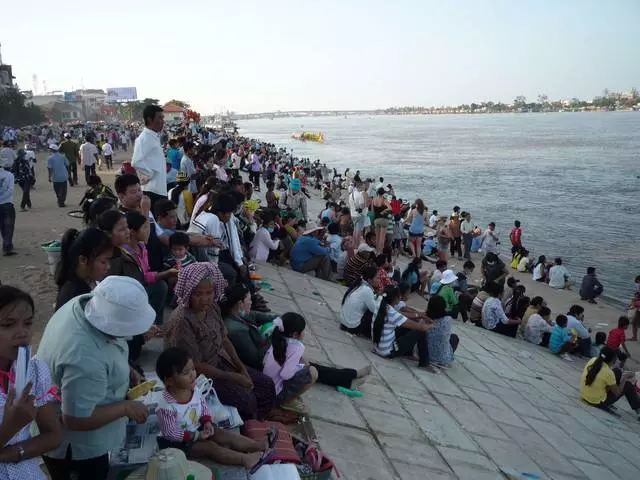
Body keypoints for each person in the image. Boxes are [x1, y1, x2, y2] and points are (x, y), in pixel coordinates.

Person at [38, 277, 154, 480]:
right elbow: (75, 419)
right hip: (76, 446)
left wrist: (125, 368)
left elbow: (110, 345)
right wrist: (126, 408)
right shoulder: (83, 357)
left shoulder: (83, 303)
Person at [164, 263, 275, 420]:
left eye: (209, 293)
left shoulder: (212, 308)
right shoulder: (183, 321)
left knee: (265, 384)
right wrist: (233, 377)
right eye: (198, 294)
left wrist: (241, 368)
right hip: (196, 375)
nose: (205, 299)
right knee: (245, 399)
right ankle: (248, 426)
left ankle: (260, 420)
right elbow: (195, 365)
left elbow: (224, 338)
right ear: (188, 293)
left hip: (220, 361)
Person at [154, 347, 269, 469]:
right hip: (178, 444)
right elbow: (170, 433)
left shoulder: (193, 389)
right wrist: (195, 436)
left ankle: (257, 445)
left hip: (197, 429)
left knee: (223, 434)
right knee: (211, 447)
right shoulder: (167, 407)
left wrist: (206, 421)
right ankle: (245, 459)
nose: (192, 374)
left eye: (193, 369)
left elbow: (202, 404)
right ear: (169, 381)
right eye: (185, 373)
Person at [0, 286, 62, 478]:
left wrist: (16, 452)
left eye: (27, 323)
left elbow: (53, 435)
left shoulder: (34, 370)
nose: (22, 333)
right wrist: (10, 427)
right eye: (8, 325)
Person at [124, 211, 175, 325]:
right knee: (160, 285)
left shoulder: (141, 246)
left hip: (142, 282)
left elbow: (146, 271)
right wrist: (166, 273)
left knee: (161, 286)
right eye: (143, 228)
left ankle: (156, 323)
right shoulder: (127, 253)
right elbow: (142, 277)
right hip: (133, 288)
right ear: (132, 232)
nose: (147, 231)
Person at [372, 285, 434, 370]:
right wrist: (432, 325)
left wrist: (420, 315)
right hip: (387, 351)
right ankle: (424, 364)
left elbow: (402, 315)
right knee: (420, 332)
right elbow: (421, 328)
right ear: (395, 298)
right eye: (399, 296)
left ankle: (408, 353)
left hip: (377, 346)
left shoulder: (380, 303)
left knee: (407, 327)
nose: (400, 297)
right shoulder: (391, 313)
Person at [55, 228, 112, 311]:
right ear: (83, 260)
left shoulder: (84, 281)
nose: (108, 266)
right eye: (103, 262)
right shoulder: (78, 298)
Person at [580, 346, 640, 418]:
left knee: (617, 372)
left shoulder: (593, 360)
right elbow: (617, 393)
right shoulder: (608, 373)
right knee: (628, 385)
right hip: (597, 402)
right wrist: (624, 378)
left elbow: (609, 372)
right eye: (615, 358)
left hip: (584, 395)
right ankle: (638, 407)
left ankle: (637, 406)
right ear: (612, 359)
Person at [131, 105, 167, 207]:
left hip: (159, 189)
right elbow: (135, 161)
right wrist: (150, 174)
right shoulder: (144, 138)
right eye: (159, 118)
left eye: (162, 118)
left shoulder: (154, 136)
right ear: (150, 119)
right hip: (152, 191)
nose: (162, 121)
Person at [340, 266, 378, 337]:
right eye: (377, 278)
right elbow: (374, 309)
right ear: (369, 280)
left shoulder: (359, 283)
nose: (379, 280)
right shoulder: (368, 290)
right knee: (376, 314)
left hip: (343, 322)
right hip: (352, 326)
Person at [425, 295, 459, 368]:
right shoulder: (448, 319)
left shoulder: (424, 318)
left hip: (426, 354)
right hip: (443, 359)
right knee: (454, 337)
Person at [0, 160, 16, 256]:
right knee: (8, 226)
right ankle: (7, 246)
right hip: (7, 204)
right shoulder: (9, 175)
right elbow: (10, 190)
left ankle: (7, 243)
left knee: (2, 226)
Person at [371, 187, 391, 253]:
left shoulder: (373, 200)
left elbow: (372, 211)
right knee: (382, 238)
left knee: (377, 237)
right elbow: (390, 208)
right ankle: (380, 252)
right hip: (384, 219)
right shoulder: (384, 199)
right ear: (383, 193)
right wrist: (384, 210)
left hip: (376, 220)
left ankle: (377, 251)